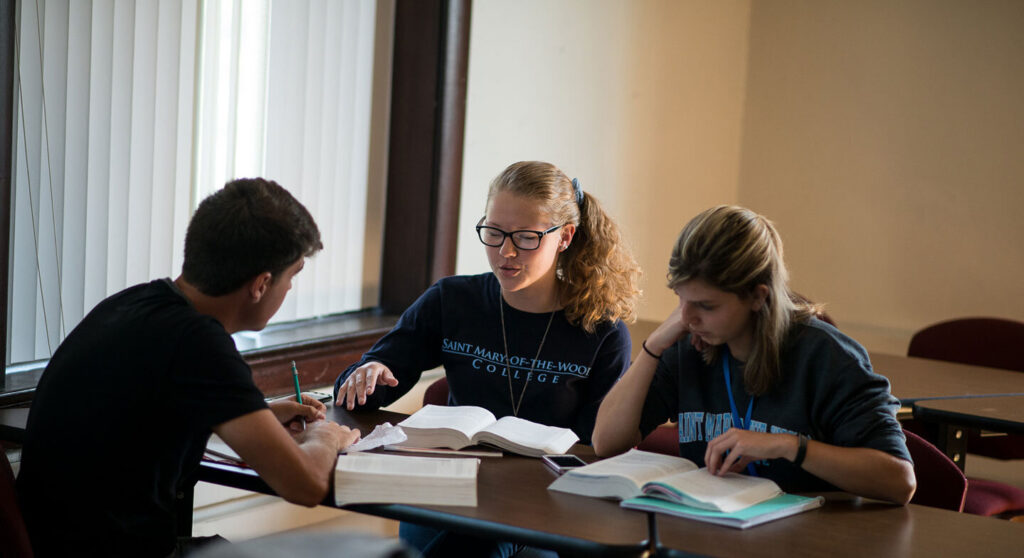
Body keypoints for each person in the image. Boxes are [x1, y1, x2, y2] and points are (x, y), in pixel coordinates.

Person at [17, 178, 361, 557]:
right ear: (261, 284)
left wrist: (259, 417)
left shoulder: (132, 305)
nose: (291, 289)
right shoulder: (199, 343)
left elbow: (146, 416)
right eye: (292, 275)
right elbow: (306, 484)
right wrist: (328, 436)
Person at [335, 161, 641, 556]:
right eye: (494, 233)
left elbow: (595, 450)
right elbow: (363, 389)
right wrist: (369, 375)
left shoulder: (601, 331)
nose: (505, 252)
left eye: (526, 237)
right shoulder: (452, 300)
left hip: (544, 505)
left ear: (564, 237)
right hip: (452, 493)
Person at [593, 205, 916, 505]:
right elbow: (606, 443)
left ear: (758, 296)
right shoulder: (687, 344)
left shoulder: (828, 358)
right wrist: (654, 347)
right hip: (710, 528)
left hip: (805, 538)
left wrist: (788, 447)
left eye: (707, 305)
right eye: (681, 299)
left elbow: (899, 482)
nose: (687, 317)